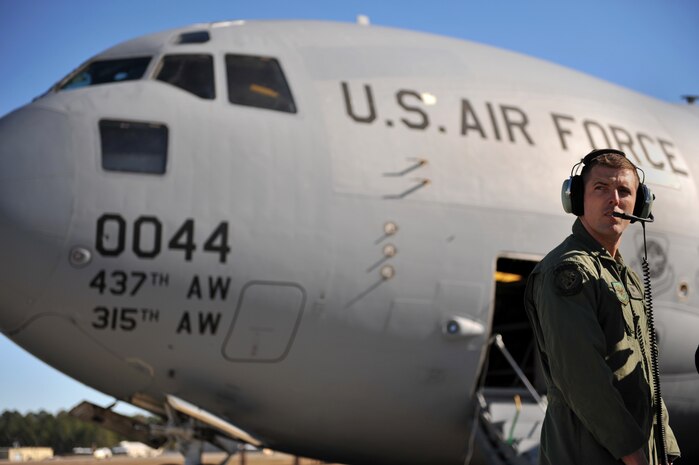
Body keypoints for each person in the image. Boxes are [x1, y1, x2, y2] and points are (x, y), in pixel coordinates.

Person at [524, 149, 681, 465]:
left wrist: (667, 450)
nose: (615, 200)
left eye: (624, 191)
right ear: (578, 199)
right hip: (592, 453)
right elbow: (582, 377)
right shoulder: (569, 272)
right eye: (601, 189)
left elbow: (645, 377)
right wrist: (633, 453)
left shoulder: (625, 276)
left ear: (640, 203)